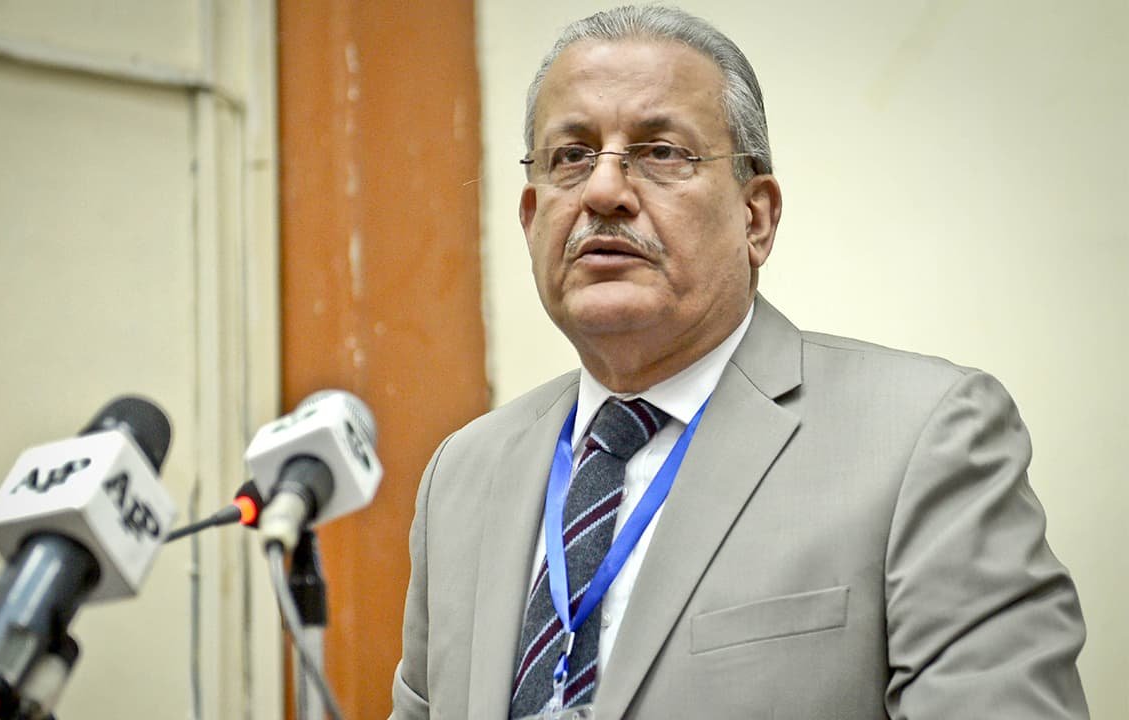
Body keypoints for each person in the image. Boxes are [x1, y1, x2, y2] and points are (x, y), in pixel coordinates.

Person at [390, 5, 1087, 718]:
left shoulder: (922, 439)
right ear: (532, 218)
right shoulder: (462, 476)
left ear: (756, 218)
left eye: (661, 152)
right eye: (571, 156)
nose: (602, 191)